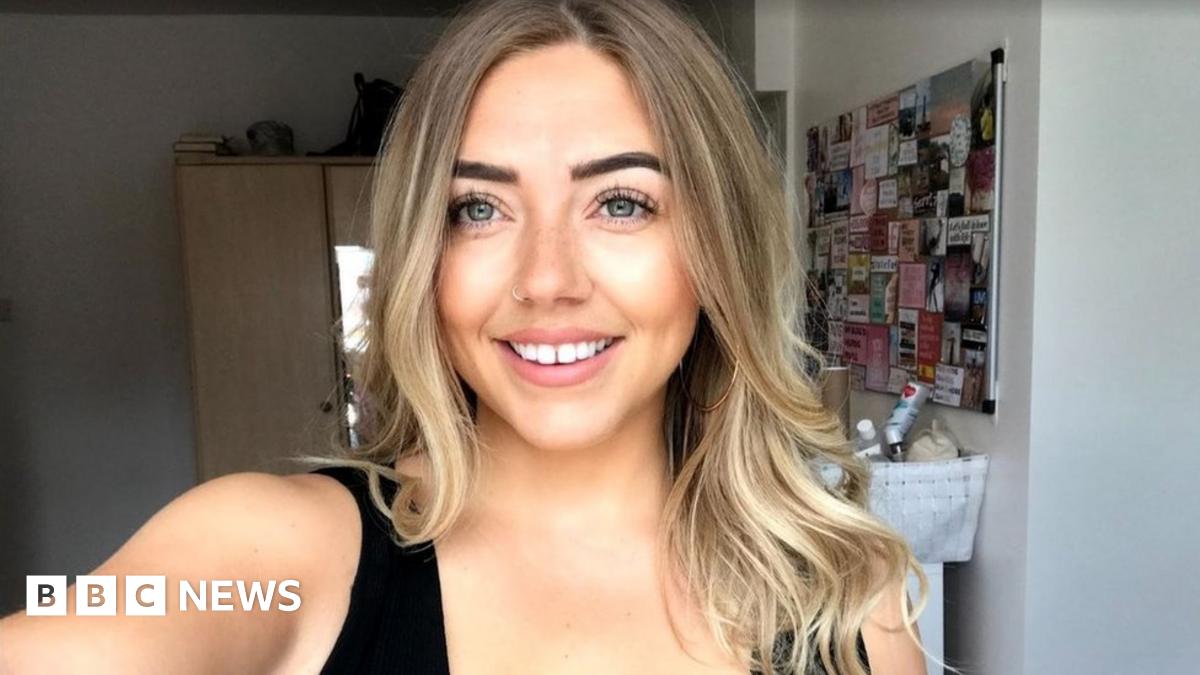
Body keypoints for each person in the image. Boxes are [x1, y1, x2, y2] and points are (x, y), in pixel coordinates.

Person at [0, 1, 935, 673]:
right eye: (478, 209)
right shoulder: (275, 554)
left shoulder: (852, 607)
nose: (546, 279)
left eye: (621, 202)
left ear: (716, 252)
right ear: (424, 255)